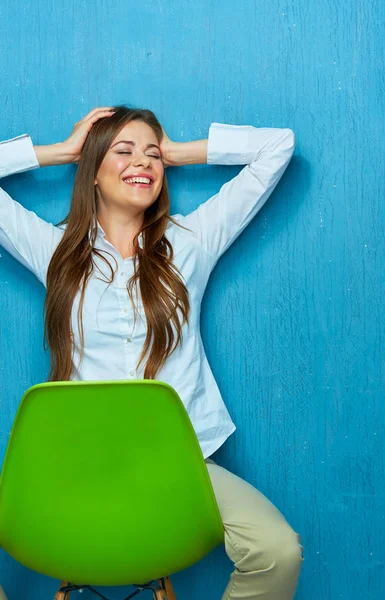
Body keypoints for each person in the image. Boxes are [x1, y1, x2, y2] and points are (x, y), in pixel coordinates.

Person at [0, 106, 304, 599]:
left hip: (180, 464)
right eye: (122, 150)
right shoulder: (53, 250)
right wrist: (59, 151)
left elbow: (279, 145)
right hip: (77, 465)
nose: (142, 161)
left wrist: (178, 150)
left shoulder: (193, 241)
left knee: (277, 550)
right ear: (92, 172)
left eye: (151, 154)